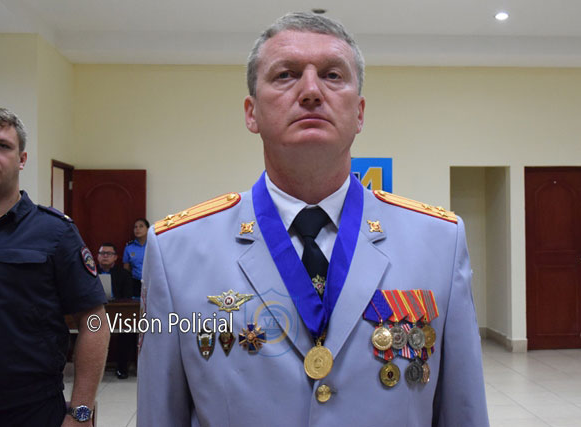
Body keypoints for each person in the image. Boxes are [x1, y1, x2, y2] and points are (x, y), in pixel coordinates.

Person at [137, 12, 489, 426]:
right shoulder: (176, 250)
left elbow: (463, 411)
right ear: (251, 113)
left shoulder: (439, 241)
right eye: (285, 75)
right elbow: (160, 414)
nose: (310, 91)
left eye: (332, 75)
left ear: (359, 113)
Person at [0, 107, 110, 426]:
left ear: (22, 159)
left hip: (30, 409)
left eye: (3, 146)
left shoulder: (55, 232)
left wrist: (81, 413)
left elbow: (94, 321)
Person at [97, 242, 137, 378]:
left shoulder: (124, 274)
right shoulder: (90, 273)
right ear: (97, 256)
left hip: (118, 312)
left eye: (109, 254)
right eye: (102, 253)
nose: (105, 256)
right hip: (95, 311)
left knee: (127, 331)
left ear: (115, 257)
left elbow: (127, 296)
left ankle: (122, 368)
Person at [123, 218, 149, 297]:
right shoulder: (129, 247)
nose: (137, 229)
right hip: (135, 282)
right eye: (135, 227)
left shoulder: (153, 245)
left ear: (148, 229)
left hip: (151, 282)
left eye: (141, 226)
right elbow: (126, 269)